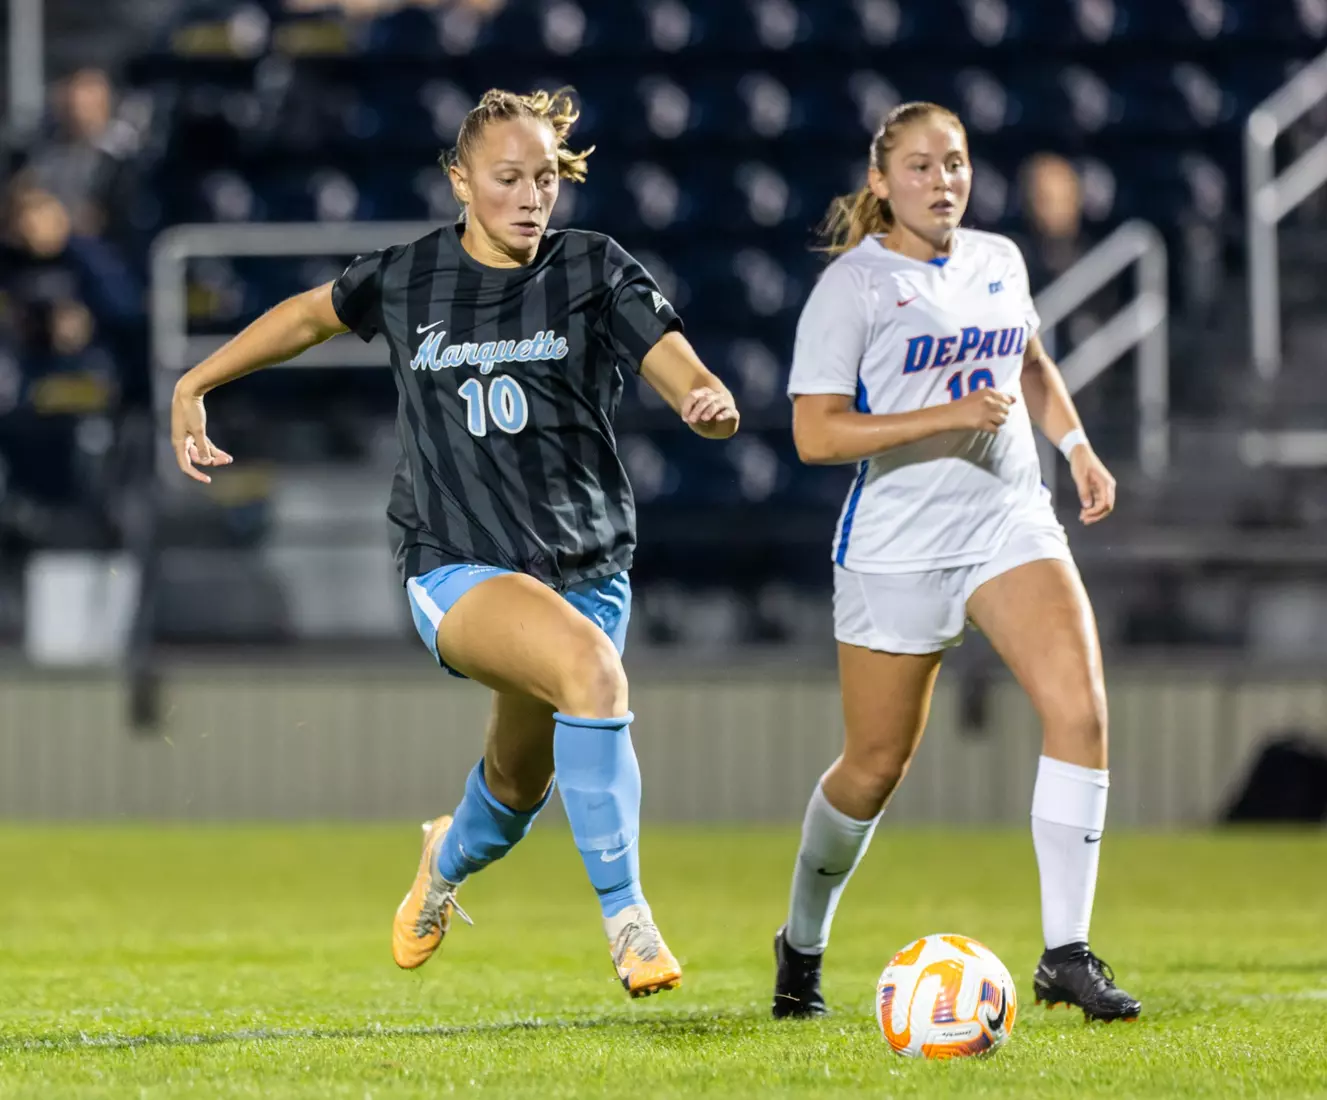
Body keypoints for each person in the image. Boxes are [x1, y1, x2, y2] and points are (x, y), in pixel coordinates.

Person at [170, 87, 739, 999]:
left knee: (515, 787)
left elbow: (680, 366)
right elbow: (309, 315)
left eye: (545, 178)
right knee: (593, 675)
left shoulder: (592, 267)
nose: (530, 196)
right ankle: (629, 921)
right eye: (507, 177)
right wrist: (195, 381)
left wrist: (704, 400)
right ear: (459, 181)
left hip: (585, 568)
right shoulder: (409, 276)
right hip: (456, 561)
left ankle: (442, 862)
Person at [772, 101, 1141, 1023]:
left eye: (956, 163)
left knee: (1080, 711)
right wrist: (943, 415)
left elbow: (1029, 365)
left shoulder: (998, 259)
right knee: (872, 767)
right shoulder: (852, 288)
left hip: (1007, 519)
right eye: (921, 166)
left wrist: (1077, 449)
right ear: (880, 181)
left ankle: (1065, 953)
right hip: (897, 545)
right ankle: (801, 943)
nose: (942, 181)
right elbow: (815, 435)